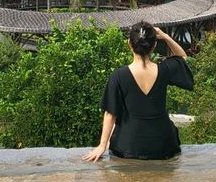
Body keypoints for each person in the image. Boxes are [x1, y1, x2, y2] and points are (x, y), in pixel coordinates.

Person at [82, 21, 194, 162]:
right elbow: (182, 58)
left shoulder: (118, 76)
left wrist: (102, 145)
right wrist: (165, 37)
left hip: (129, 145)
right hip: (163, 145)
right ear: (154, 45)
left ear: (129, 43)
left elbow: (110, 113)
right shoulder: (165, 70)